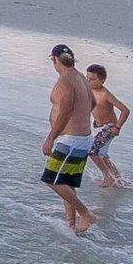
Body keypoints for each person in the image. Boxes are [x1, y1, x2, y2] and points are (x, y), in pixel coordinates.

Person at [40, 44, 99, 234]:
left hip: (72, 140)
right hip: (82, 138)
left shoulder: (65, 82)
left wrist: (51, 138)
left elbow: (65, 112)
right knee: (67, 181)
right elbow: (93, 102)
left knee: (52, 179)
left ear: (55, 60)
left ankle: (86, 214)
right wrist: (81, 120)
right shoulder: (80, 77)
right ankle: (70, 225)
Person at [86, 63, 131, 188]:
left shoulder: (105, 94)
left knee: (92, 151)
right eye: (87, 78)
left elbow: (125, 110)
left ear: (102, 80)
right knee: (102, 155)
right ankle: (118, 179)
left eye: (92, 79)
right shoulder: (88, 90)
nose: (88, 81)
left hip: (109, 127)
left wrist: (117, 127)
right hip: (97, 126)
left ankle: (107, 176)